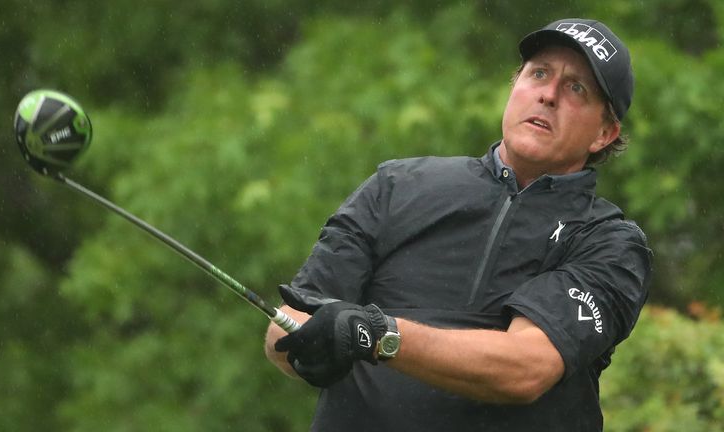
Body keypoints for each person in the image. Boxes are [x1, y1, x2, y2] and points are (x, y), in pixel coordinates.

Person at [264, 18, 652, 432]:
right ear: (514, 86)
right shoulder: (396, 185)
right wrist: (310, 343)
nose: (549, 95)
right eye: (539, 73)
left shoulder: (610, 243)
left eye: (577, 88)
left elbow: (525, 368)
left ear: (605, 134)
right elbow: (287, 327)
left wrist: (377, 334)